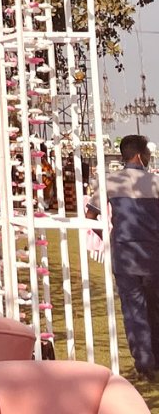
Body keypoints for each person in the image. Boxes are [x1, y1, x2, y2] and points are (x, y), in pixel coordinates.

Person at [86, 135, 159, 381]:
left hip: (125, 255)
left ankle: (144, 363)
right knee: (155, 308)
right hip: (153, 255)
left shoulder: (109, 183)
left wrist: (109, 236)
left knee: (133, 309)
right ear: (140, 155)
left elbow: (89, 216)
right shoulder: (155, 182)